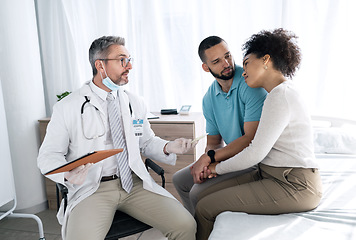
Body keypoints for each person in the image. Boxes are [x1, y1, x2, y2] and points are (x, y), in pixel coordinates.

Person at [37, 36, 197, 240]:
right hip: (93, 188)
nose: (129, 66)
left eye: (130, 59)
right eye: (122, 60)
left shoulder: (134, 102)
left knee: (185, 225)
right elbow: (48, 156)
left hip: (134, 183)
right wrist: (68, 173)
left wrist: (169, 147)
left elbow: (146, 142)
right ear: (100, 65)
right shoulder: (68, 107)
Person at [194, 28, 323, 240]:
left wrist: (215, 168)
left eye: (245, 63)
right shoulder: (277, 94)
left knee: (206, 207)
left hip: (295, 184)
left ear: (265, 60)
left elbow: (254, 152)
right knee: (202, 195)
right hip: (270, 173)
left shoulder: (280, 95)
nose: (241, 71)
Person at [172, 36, 267, 215]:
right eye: (217, 61)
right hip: (231, 158)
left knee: (197, 192)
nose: (226, 63)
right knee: (179, 180)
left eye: (228, 56)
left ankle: (203, 232)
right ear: (206, 67)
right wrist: (208, 167)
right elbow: (214, 142)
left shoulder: (250, 83)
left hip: (253, 160)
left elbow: (250, 140)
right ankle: (194, 230)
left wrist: (209, 159)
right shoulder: (209, 98)